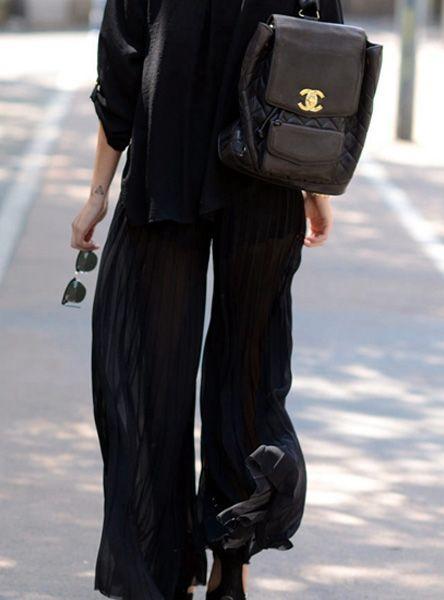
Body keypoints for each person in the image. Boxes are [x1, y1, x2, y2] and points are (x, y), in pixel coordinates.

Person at [70, 1, 341, 598]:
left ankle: (160, 567)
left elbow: (122, 62)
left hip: (165, 167)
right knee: (248, 373)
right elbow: (322, 51)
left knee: (147, 374)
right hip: (267, 175)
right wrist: (315, 186)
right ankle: (230, 564)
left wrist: (97, 192)